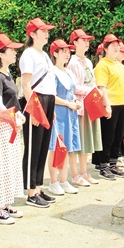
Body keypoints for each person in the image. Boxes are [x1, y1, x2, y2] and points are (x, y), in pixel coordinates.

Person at [0, 33, 25, 224]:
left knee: (10, 166)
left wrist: (18, 115)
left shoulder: (7, 74)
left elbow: (12, 101)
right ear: (0, 54)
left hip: (11, 126)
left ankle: (6, 203)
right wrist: (12, 116)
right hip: (0, 127)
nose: (15, 53)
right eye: (11, 50)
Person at [19, 18, 57, 208]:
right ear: (33, 34)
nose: (46, 34)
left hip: (48, 100)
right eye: (43, 31)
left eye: (47, 31)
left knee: (43, 147)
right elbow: (26, 84)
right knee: (33, 147)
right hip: (35, 100)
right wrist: (33, 111)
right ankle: (30, 191)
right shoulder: (29, 54)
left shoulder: (44, 55)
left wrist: (52, 109)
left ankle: (39, 187)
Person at [67, 29, 101, 186]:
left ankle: (84, 172)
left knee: (87, 140)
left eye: (88, 40)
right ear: (75, 43)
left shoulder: (88, 61)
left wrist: (95, 91)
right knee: (78, 140)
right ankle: (75, 175)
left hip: (90, 104)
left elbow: (92, 81)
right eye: (83, 40)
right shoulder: (72, 63)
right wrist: (91, 91)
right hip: (79, 105)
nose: (87, 43)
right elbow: (73, 87)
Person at [93, 34, 124, 180]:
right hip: (111, 104)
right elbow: (101, 87)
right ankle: (103, 165)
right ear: (106, 48)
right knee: (107, 136)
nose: (117, 48)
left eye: (118, 45)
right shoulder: (102, 65)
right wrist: (107, 105)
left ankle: (113, 163)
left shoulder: (119, 65)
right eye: (113, 46)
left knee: (118, 136)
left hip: (122, 103)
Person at [47, 39, 81, 196]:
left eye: (68, 52)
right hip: (58, 113)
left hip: (70, 113)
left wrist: (74, 101)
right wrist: (68, 103)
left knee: (66, 147)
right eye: (64, 51)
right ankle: (53, 182)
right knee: (55, 148)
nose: (67, 54)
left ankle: (63, 180)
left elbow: (71, 92)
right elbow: (51, 96)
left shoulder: (68, 72)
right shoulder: (51, 72)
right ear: (55, 54)